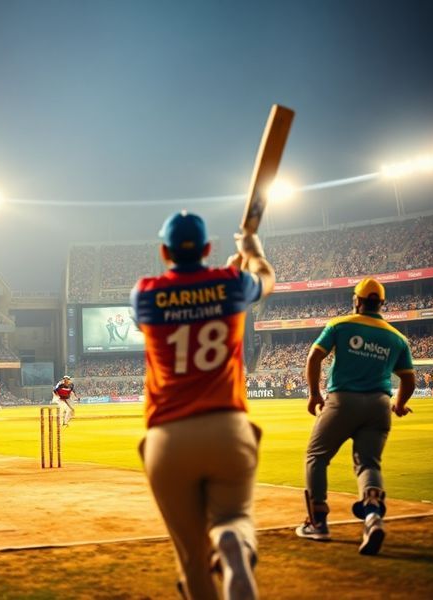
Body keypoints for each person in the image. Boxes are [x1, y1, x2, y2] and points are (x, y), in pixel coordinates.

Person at [131, 211, 274, 599]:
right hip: (228, 427)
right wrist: (252, 253)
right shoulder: (230, 284)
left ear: (164, 251)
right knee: (234, 516)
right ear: (209, 248)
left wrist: (218, 279)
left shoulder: (145, 292)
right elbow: (264, 282)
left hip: (168, 436)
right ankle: (233, 540)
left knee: (193, 559)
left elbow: (179, 309)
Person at [296, 278, 415, 556]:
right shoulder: (397, 338)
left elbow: (315, 356)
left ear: (356, 300)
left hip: (342, 402)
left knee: (317, 456)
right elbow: (408, 379)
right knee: (368, 464)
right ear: (382, 304)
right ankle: (373, 517)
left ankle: (319, 522)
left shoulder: (340, 325)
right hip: (378, 406)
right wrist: (398, 404)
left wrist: (314, 394)